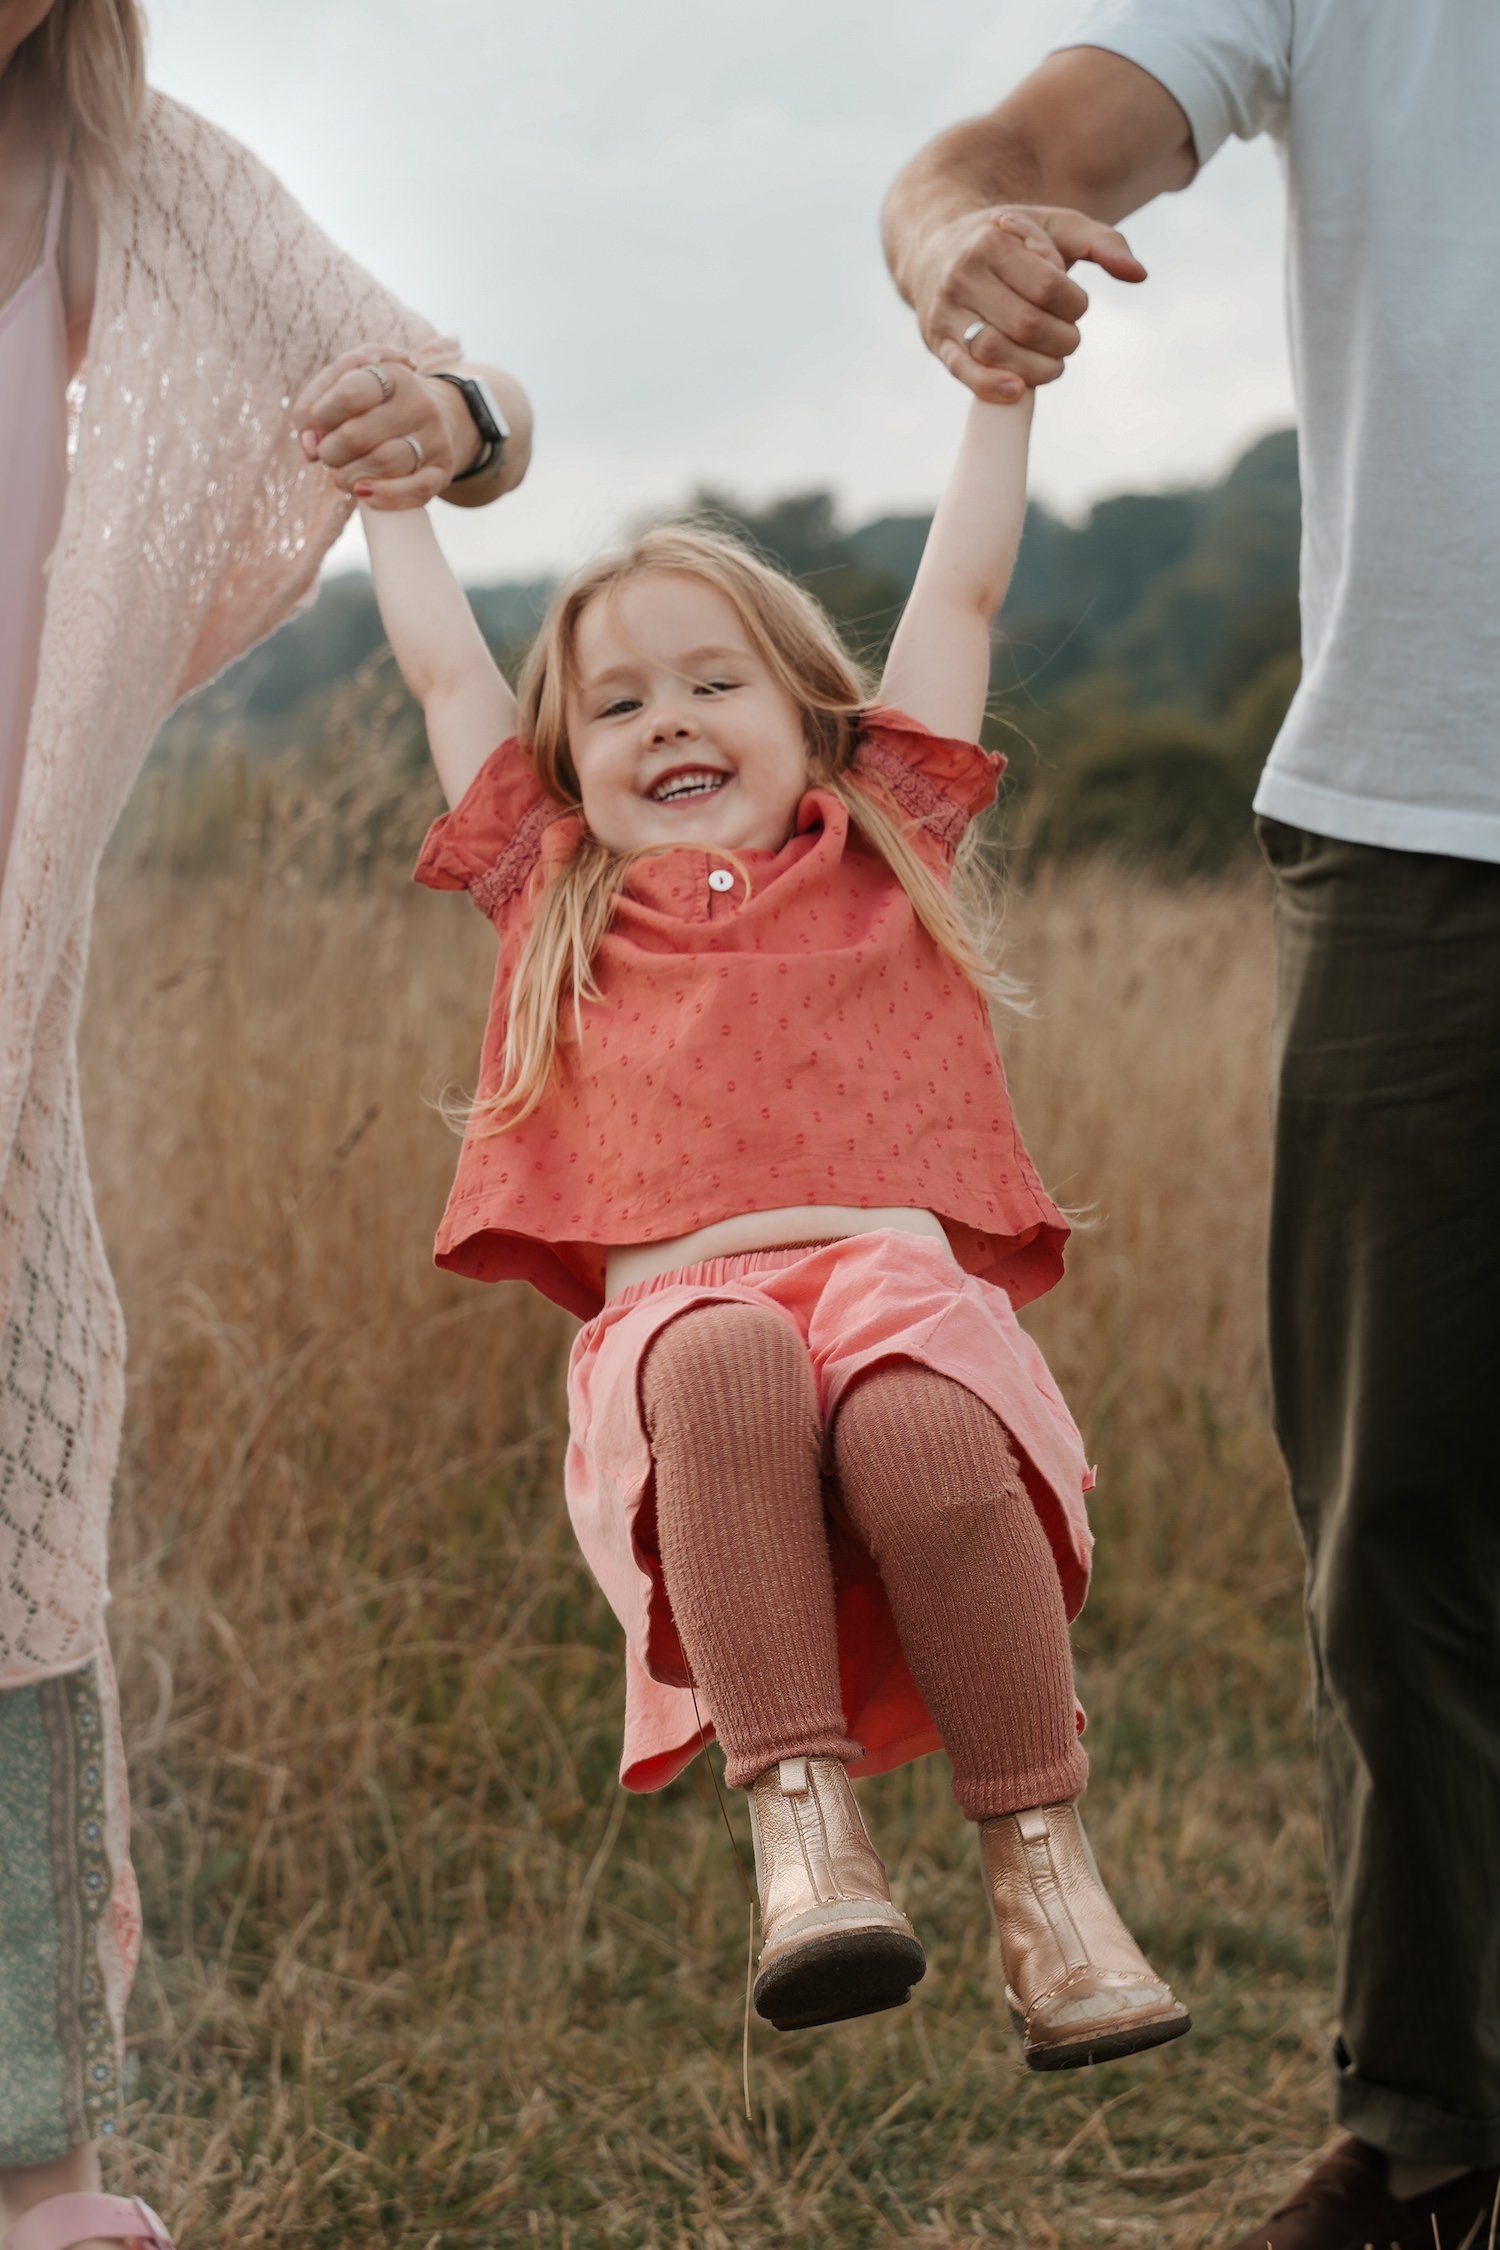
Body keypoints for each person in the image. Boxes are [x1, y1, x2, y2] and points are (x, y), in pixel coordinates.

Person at [358, 315, 1193, 2073]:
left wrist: (998, 401)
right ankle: (804, 1839)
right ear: (566, 764)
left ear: (810, 719)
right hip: (684, 1328)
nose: (667, 717)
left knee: (914, 1419)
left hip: (901, 1295)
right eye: (617, 700)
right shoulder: (555, 891)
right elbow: (446, 681)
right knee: (727, 1351)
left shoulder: (879, 841)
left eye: (711, 681)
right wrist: (395, 504)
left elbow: (959, 598)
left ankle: (1048, 1880)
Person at [881, 8, 1500, 2247]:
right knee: (1404, 1515)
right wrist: (963, 233)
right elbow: (1030, 139)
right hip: (1428, 821)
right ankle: (1435, 2132)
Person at [0, 4, 532, 2246]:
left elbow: (470, 406)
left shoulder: (115, 168)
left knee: (18, 1521)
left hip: (4, 961)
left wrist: (453, 417)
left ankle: (37, 2160)